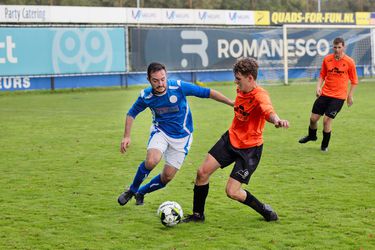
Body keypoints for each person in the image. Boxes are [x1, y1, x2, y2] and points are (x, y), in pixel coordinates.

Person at [183, 57, 289, 223]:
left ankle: (264, 210)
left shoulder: (260, 95)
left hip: (249, 150)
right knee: (202, 172)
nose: (235, 82)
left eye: (238, 79)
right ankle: (198, 215)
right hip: (230, 139)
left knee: (232, 192)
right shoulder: (241, 89)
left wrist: (276, 120)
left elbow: (267, 110)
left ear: (250, 78)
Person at [117, 62, 234, 206]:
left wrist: (231, 103)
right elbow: (131, 113)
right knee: (152, 160)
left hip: (182, 137)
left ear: (166, 76)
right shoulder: (146, 96)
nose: (160, 83)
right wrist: (127, 136)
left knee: (167, 177)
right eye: (155, 80)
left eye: (163, 79)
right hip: (161, 131)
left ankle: (141, 192)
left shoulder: (178, 87)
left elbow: (207, 93)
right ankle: (132, 190)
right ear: (148, 79)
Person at [298, 37, 358, 151]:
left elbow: (354, 81)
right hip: (325, 94)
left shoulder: (349, 62)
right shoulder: (327, 59)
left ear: (344, 47)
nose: (336, 49)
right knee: (313, 119)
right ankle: (312, 136)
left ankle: (324, 146)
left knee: (326, 120)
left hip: (339, 97)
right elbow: (322, 75)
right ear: (332, 47)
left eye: (339, 47)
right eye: (335, 47)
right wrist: (318, 87)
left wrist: (350, 96)